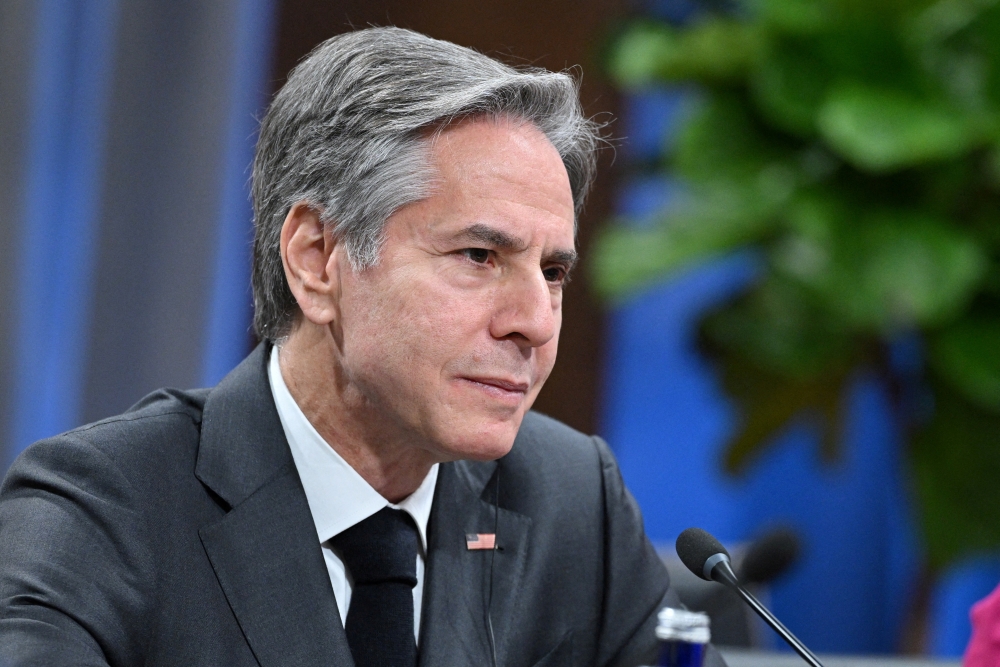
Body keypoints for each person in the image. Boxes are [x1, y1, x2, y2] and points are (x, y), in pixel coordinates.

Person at [0, 27, 725, 667]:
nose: (535, 320)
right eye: (478, 255)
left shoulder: (574, 502)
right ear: (318, 259)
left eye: (554, 271)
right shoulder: (100, 514)